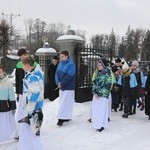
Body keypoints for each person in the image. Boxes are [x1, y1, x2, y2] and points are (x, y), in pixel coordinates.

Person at [18, 56, 44, 150]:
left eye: (23, 65)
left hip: (32, 108)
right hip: (34, 107)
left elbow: (34, 94)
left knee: (30, 131)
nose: (22, 67)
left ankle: (29, 147)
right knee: (32, 130)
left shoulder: (32, 77)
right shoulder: (35, 74)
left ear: (28, 66)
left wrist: (29, 109)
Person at [55, 50, 76, 126]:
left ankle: (62, 118)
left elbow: (70, 75)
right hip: (61, 87)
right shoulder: (60, 63)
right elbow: (56, 73)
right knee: (62, 102)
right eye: (60, 56)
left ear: (67, 56)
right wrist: (58, 82)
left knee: (67, 103)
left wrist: (62, 83)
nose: (61, 58)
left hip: (68, 87)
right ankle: (63, 117)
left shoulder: (71, 64)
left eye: (62, 56)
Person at [91, 59, 112, 132]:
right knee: (96, 110)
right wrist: (95, 91)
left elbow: (108, 84)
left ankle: (101, 125)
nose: (98, 67)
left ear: (103, 65)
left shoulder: (108, 73)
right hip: (96, 95)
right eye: (98, 65)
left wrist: (100, 93)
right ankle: (97, 124)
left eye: (100, 65)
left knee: (102, 110)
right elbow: (94, 82)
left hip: (103, 95)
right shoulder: (97, 72)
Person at [0, 64, 17, 142]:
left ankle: (11, 135)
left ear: (3, 72)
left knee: (6, 122)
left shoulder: (8, 82)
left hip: (5, 106)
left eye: (0, 72)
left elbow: (12, 95)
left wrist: (13, 107)